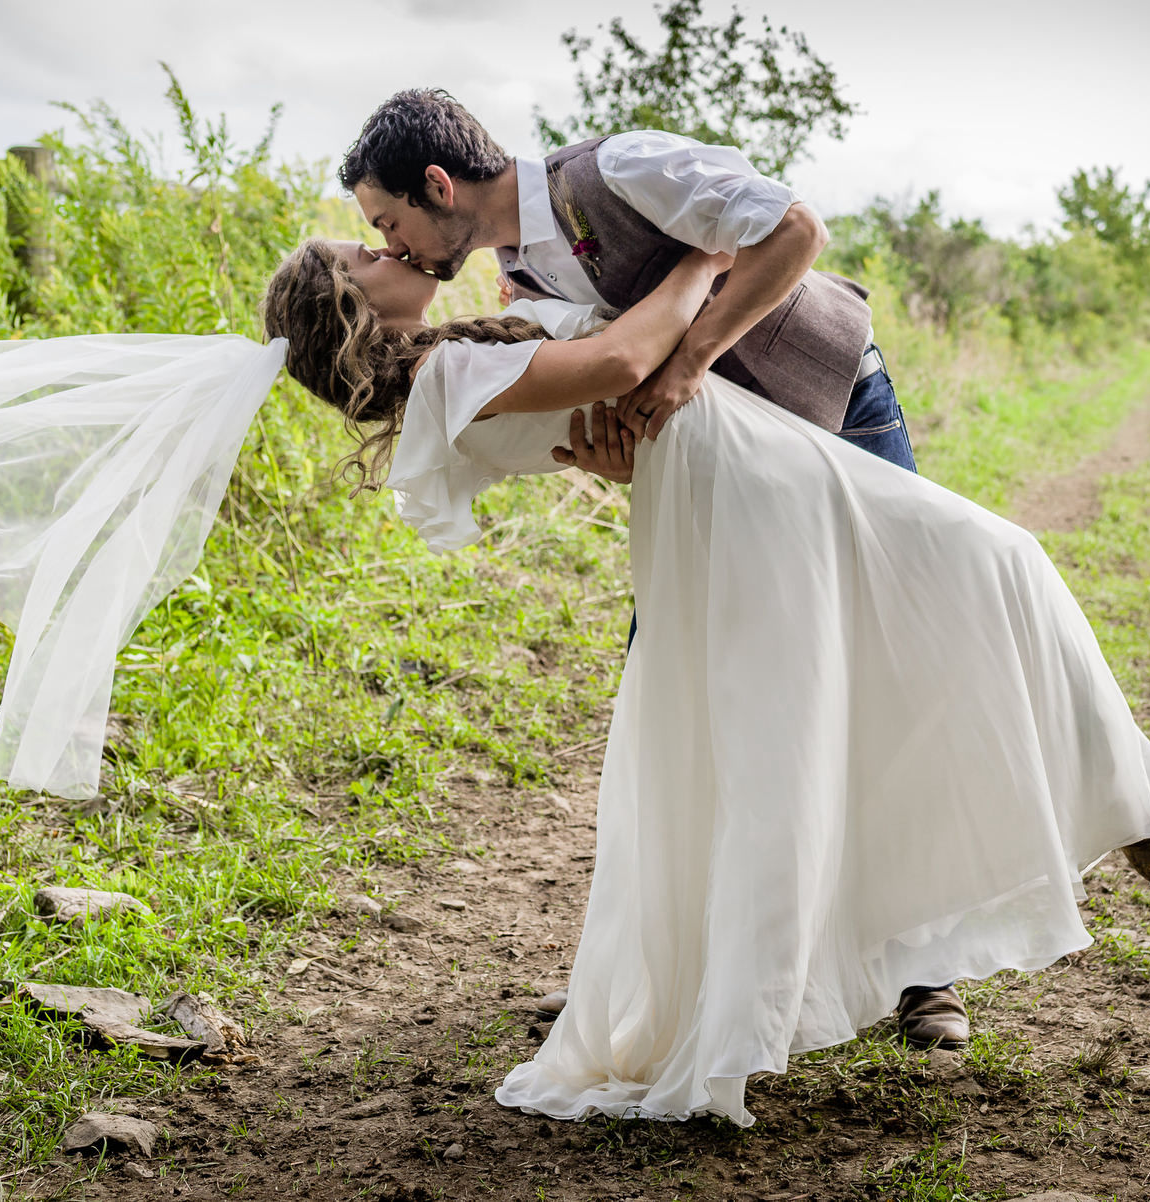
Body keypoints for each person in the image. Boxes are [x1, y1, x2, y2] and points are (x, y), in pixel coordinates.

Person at [259, 235, 1150, 1126]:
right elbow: (629, 352)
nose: (379, 248)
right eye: (359, 255)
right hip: (747, 489)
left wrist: (619, 424)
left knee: (960, 602)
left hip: (745, 470)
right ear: (352, 308)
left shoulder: (458, 359)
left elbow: (597, 427)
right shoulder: (449, 381)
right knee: (970, 591)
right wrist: (706, 254)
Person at [335, 88, 973, 1043]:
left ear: (438, 184)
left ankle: (931, 971)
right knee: (677, 703)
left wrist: (693, 360)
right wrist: (618, 455)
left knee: (898, 668)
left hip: (835, 411)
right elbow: (609, 393)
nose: (395, 247)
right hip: (727, 478)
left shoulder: (621, 169)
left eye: (390, 222)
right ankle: (643, 976)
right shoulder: (515, 285)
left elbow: (796, 232)